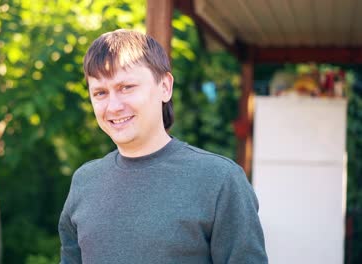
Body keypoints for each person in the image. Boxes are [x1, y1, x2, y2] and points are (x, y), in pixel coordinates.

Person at [58, 29, 268, 264]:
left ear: (165, 87)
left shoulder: (220, 180)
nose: (114, 106)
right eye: (100, 93)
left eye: (127, 87)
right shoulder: (84, 181)